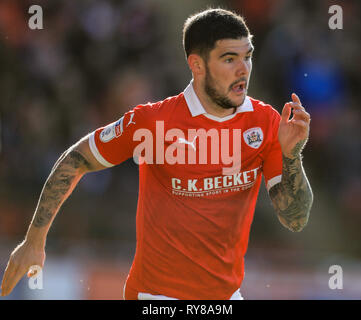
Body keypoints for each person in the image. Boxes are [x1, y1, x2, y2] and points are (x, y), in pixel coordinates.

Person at [1, 8, 313, 300]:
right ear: (197, 64)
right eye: (229, 59)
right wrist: (34, 241)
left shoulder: (266, 122)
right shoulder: (154, 122)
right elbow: (76, 159)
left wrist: (292, 156)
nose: (243, 69)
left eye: (248, 56)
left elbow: (295, 218)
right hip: (157, 298)